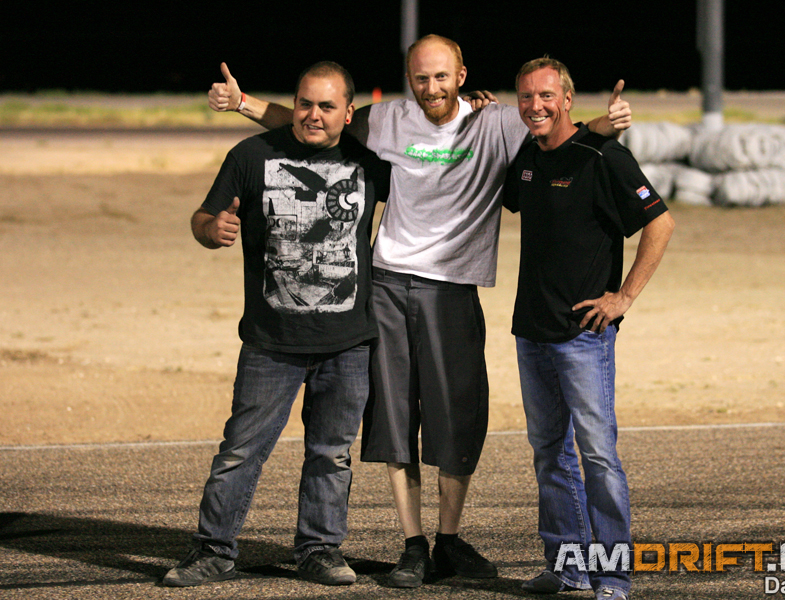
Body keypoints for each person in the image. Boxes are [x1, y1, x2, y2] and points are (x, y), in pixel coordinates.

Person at [207, 35, 632, 588]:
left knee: (457, 422)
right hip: (387, 283)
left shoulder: (498, 122)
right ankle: (413, 545)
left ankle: (449, 541)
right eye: (420, 77)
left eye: (440, 76)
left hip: (454, 288)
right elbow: (317, 121)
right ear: (409, 78)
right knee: (395, 423)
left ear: (461, 76)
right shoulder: (388, 119)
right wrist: (243, 103)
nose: (430, 88)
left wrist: (607, 125)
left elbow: (558, 130)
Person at [162, 62, 390, 588]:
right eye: (305, 103)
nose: (313, 115)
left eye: (327, 106)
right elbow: (202, 217)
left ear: (348, 113)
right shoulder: (251, 156)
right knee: (240, 451)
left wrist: (476, 109)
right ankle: (213, 550)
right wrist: (211, 229)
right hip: (270, 342)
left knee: (331, 455)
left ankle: (319, 550)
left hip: (348, 343)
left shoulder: (373, 162)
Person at [502, 58, 675, 600]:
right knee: (549, 452)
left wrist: (623, 297)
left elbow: (661, 223)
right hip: (531, 330)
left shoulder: (606, 157)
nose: (535, 105)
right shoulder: (529, 156)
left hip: (583, 335)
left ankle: (613, 576)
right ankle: (567, 566)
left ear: (567, 99)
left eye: (546, 95)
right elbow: (513, 192)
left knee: (598, 456)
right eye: (526, 96)